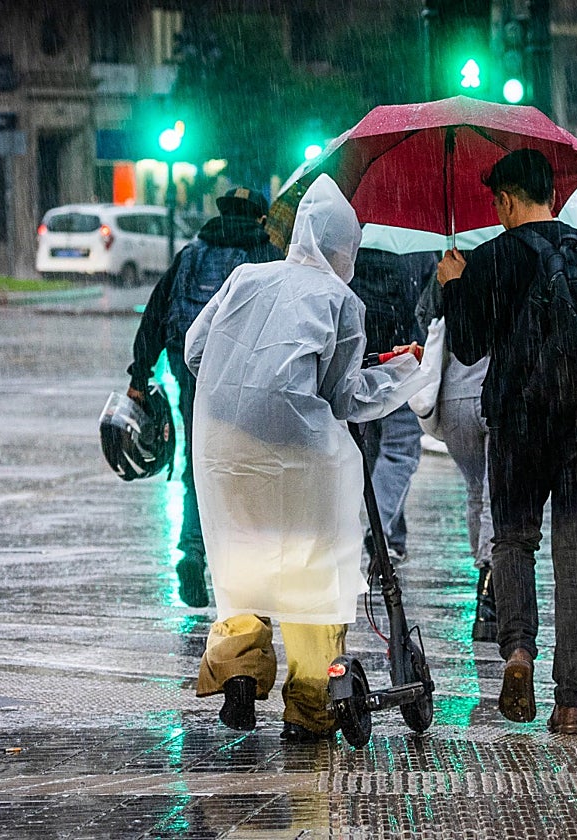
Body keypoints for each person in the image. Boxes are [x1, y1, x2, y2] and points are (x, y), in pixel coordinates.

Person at [183, 175, 425, 741]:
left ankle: (239, 670)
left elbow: (197, 349)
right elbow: (346, 398)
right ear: (345, 247)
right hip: (299, 454)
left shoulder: (245, 277)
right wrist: (402, 371)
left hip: (225, 447)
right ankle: (310, 705)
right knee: (309, 572)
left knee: (243, 559)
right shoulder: (343, 301)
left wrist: (240, 388)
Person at [437, 149, 577, 735]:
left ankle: (518, 652)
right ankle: (572, 703)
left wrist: (455, 285)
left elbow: (467, 345)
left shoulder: (493, 257)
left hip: (516, 426)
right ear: (551, 197)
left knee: (512, 544)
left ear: (506, 200)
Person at [126, 187, 283, 607]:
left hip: (192, 370)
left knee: (200, 460)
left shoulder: (192, 254)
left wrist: (139, 373)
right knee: (245, 465)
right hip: (245, 377)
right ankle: (239, 562)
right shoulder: (267, 257)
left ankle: (192, 550)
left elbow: (157, 313)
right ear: (260, 218)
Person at [415, 277, 496, 642]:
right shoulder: (509, 263)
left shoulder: (450, 267)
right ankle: (490, 588)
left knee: (476, 489)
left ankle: (485, 575)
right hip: (496, 393)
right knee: (498, 493)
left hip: (455, 397)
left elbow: (425, 316)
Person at [349, 248, 436, 564]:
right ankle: (380, 529)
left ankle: (393, 539)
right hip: (403, 356)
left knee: (371, 446)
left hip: (362, 357)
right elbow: (428, 310)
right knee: (401, 449)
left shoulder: (358, 243)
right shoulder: (419, 248)